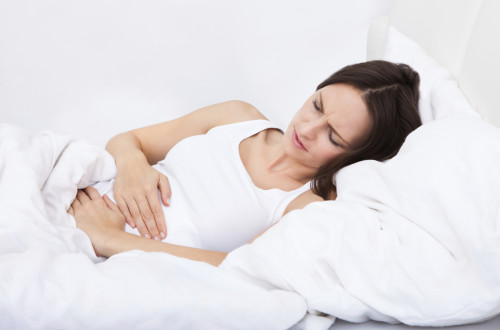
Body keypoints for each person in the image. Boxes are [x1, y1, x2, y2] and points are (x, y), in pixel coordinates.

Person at [68, 60, 422, 266]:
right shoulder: (238, 117)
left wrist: (109, 239)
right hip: (74, 205)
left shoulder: (303, 205)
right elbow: (129, 140)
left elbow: (236, 270)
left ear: (355, 157)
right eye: (317, 105)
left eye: (334, 137)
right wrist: (133, 166)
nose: (307, 129)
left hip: (107, 254)